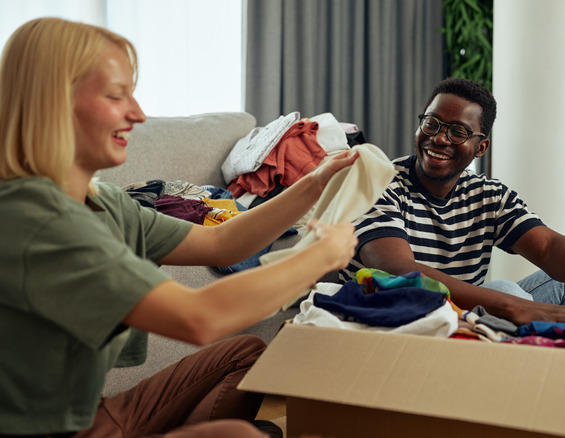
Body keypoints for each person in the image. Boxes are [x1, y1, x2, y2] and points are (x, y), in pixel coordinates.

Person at [0, 18, 358, 437]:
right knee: (240, 435)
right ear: (52, 102)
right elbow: (199, 318)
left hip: (95, 414)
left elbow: (221, 242)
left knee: (244, 353)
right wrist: (319, 257)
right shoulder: (35, 220)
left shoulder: (105, 202)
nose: (137, 114)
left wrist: (314, 184)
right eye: (116, 96)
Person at [339, 77, 565, 326]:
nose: (440, 138)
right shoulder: (377, 181)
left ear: (481, 147)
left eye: (458, 132)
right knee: (500, 292)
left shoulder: (488, 194)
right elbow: (395, 269)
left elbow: (548, 246)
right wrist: (509, 304)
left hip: (463, 319)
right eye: (431, 124)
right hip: (394, 318)